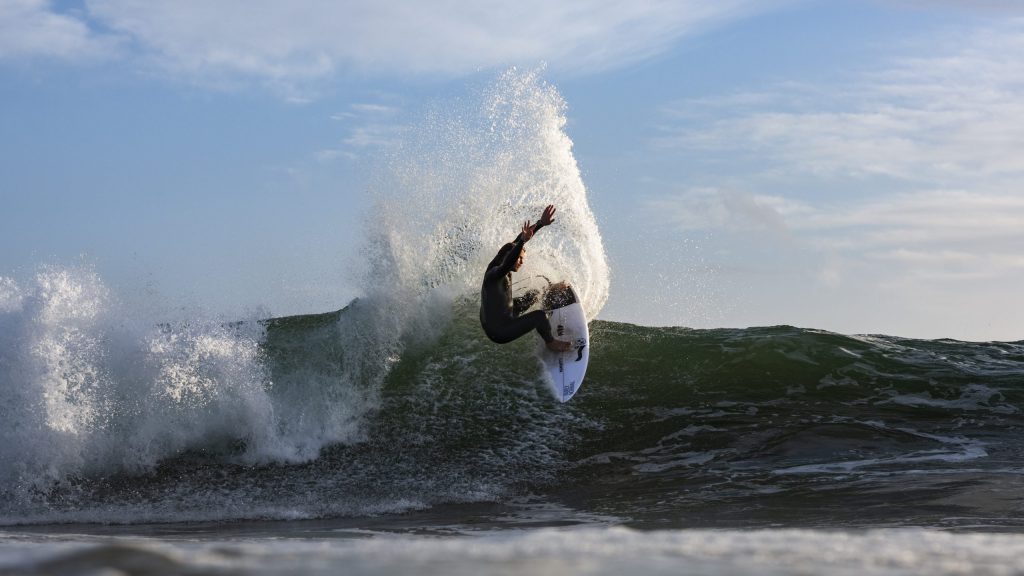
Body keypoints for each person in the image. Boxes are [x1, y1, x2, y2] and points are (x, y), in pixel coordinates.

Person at [480, 204, 572, 352]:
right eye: (520, 259)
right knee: (539, 316)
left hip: (505, 314)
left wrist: (540, 223)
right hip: (499, 331)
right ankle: (551, 343)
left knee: (535, 294)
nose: (522, 262)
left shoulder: (501, 261)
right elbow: (510, 259)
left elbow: (516, 243)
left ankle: (549, 307)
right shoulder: (495, 274)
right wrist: (522, 242)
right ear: (510, 257)